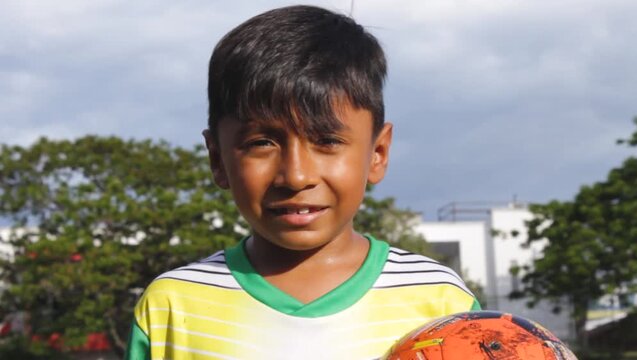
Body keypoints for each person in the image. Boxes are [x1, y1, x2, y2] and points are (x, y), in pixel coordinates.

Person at [125, 5, 480, 360]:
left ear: (378, 153)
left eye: (327, 141)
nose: (295, 176)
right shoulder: (171, 307)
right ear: (218, 158)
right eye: (261, 143)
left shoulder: (442, 303)